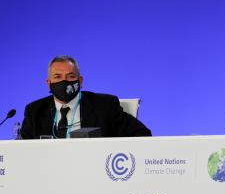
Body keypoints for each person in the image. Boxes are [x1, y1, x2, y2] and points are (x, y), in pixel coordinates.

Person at [20, 55, 152, 139]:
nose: (64, 81)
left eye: (71, 76)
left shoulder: (105, 106)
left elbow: (141, 133)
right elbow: (22, 150)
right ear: (48, 83)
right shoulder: (34, 111)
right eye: (57, 77)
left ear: (80, 81)